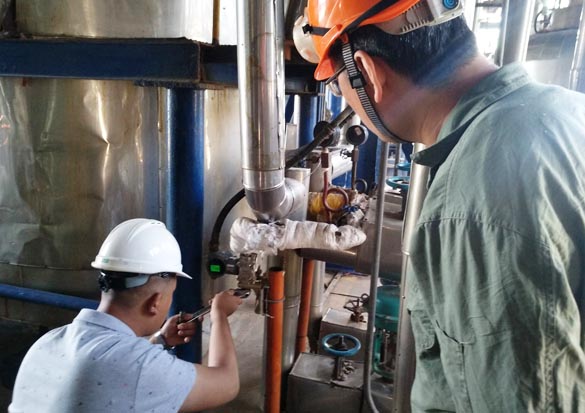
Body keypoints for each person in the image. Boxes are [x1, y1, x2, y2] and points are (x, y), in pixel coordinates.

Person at [295, 0, 585, 411]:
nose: (347, 103)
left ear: (367, 71)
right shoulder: (563, 109)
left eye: (339, 88)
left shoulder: (470, 203)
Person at [9, 218, 242, 413]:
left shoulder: (47, 342)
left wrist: (160, 340)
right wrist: (219, 314)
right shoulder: (140, 367)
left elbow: (114, 369)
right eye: (170, 295)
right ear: (155, 302)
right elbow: (227, 383)